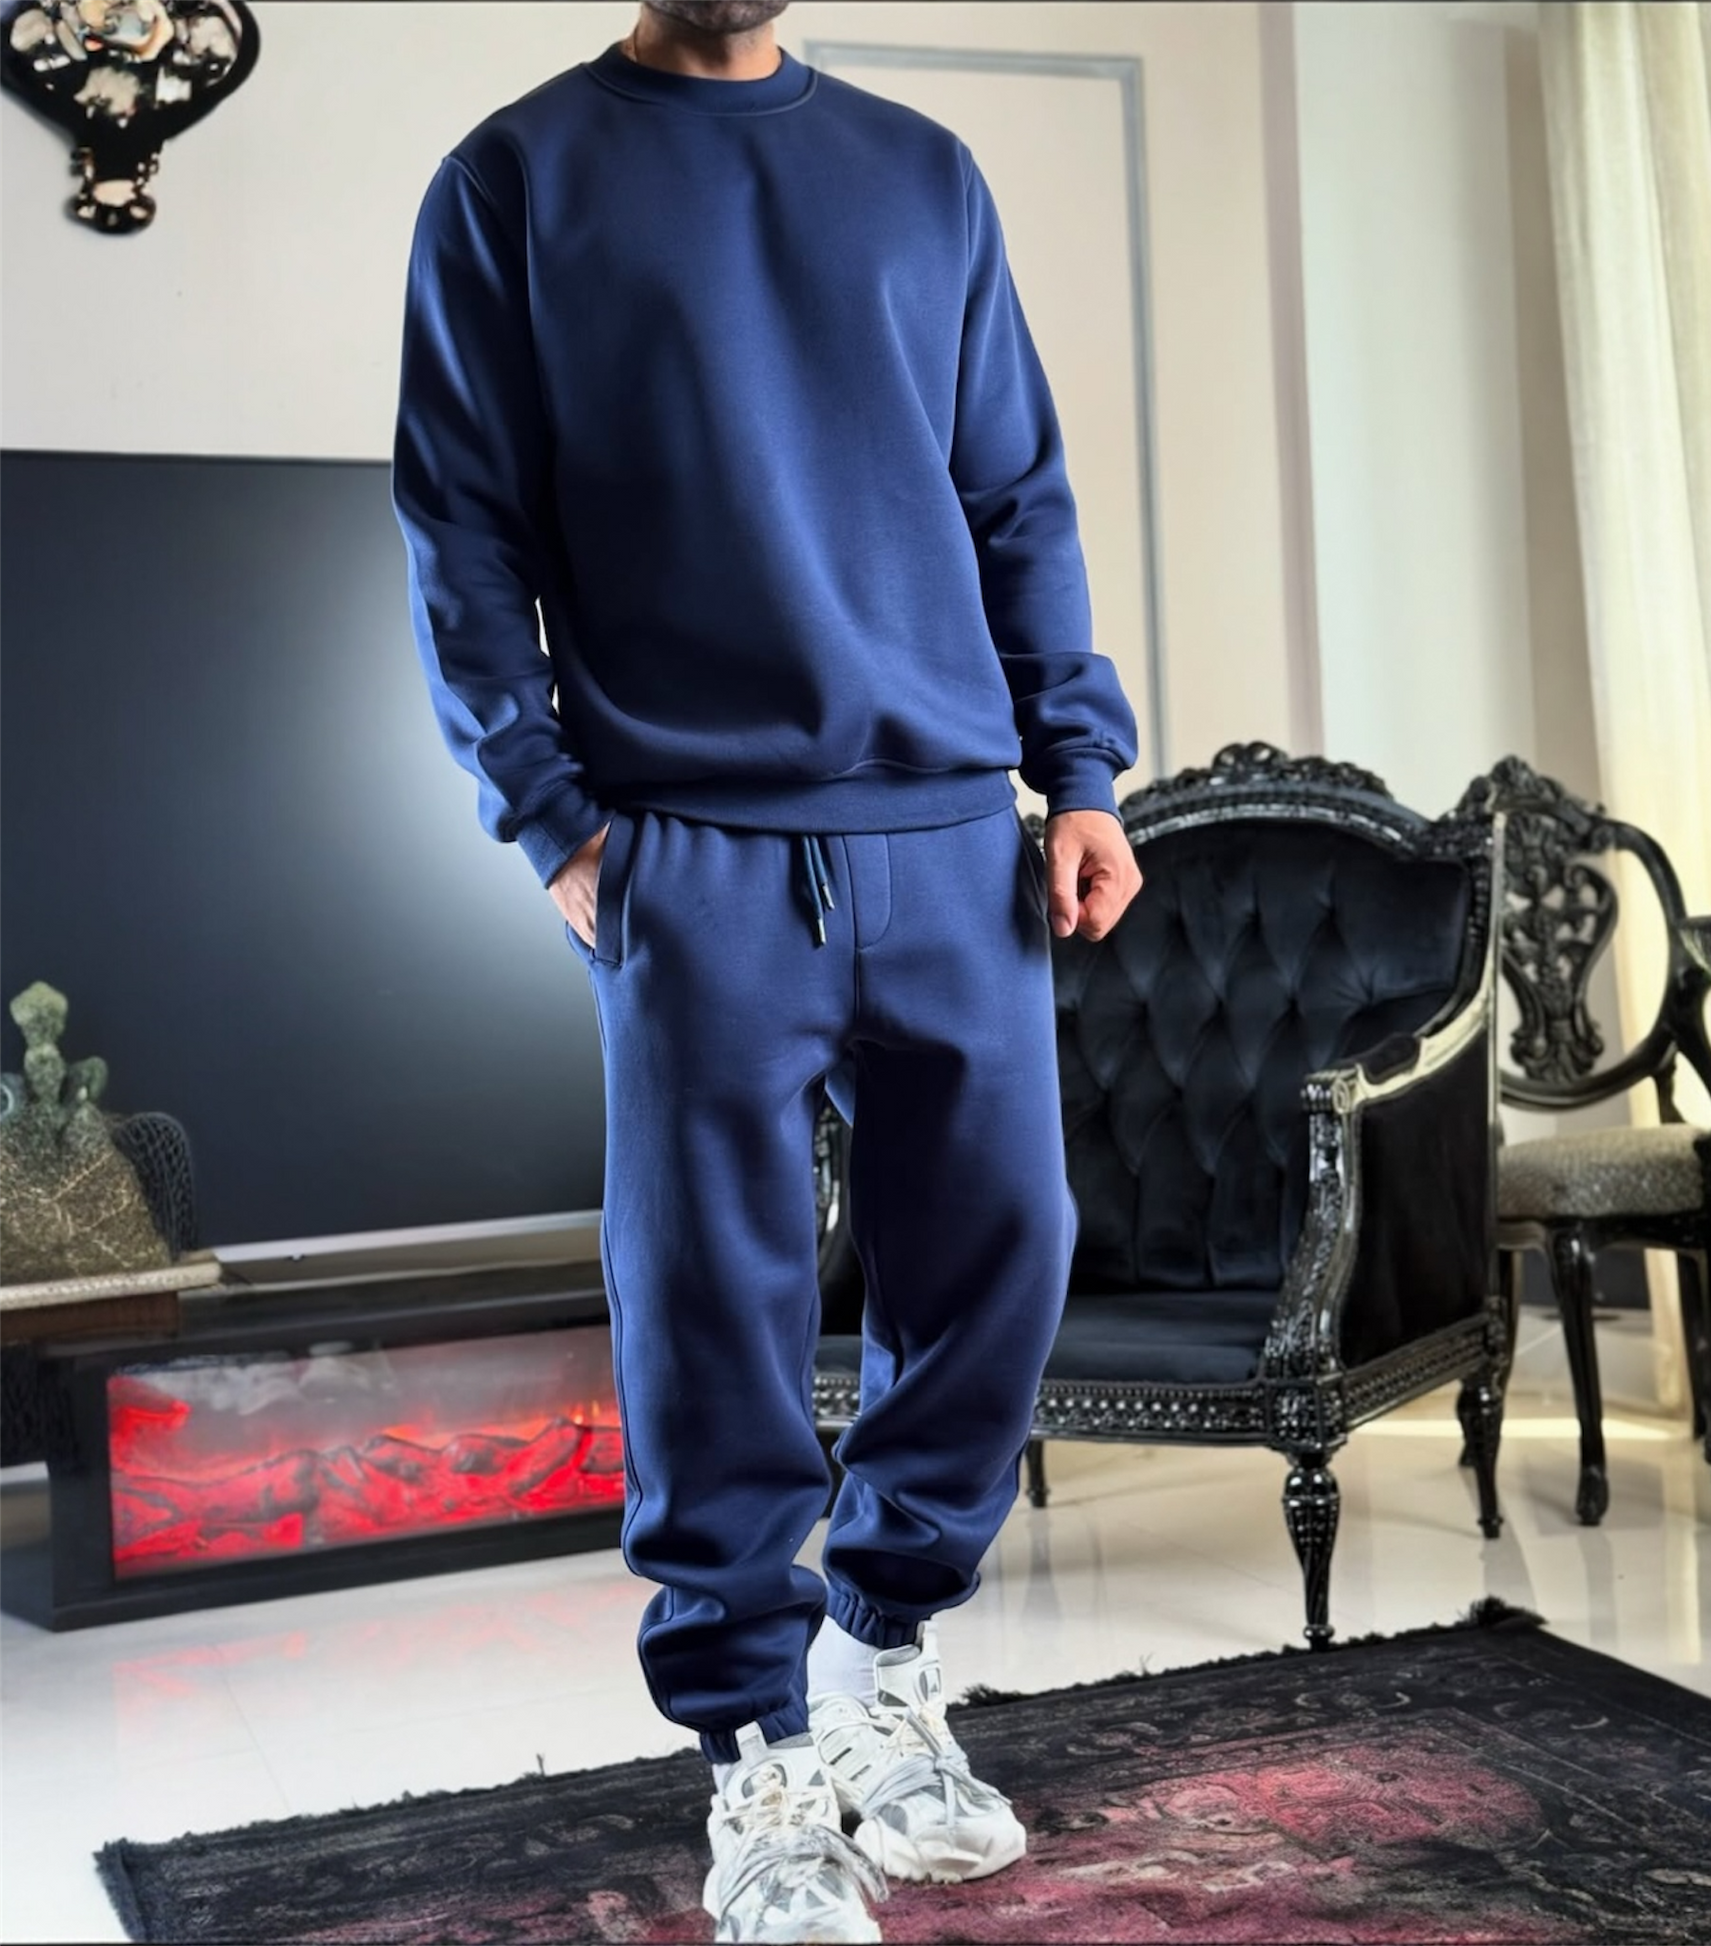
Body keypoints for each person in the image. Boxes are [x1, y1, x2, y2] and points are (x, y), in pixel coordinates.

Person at [393, 1, 1142, 1937]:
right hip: (690, 845)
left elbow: (1015, 493)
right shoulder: (513, 182)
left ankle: (880, 1657)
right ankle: (756, 1754)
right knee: (709, 1306)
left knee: (1005, 1251)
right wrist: (555, 819)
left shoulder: (922, 179)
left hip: (948, 825)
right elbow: (459, 527)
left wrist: (1078, 769)